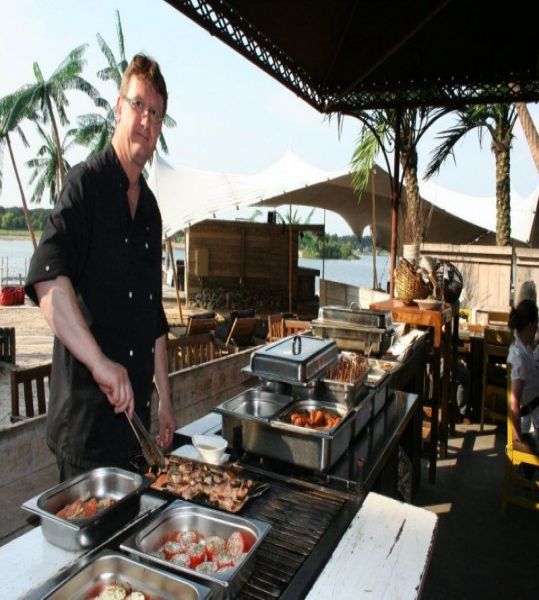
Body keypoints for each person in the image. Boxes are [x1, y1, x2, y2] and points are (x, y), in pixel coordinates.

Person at [25, 54, 176, 481]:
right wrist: (99, 363)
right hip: (86, 432)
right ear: (118, 108)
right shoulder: (84, 185)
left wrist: (165, 400)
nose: (146, 121)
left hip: (135, 432)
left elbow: (152, 314)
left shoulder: (150, 210)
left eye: (156, 114)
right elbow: (47, 280)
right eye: (138, 105)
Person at [507, 299, 539, 454]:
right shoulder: (520, 359)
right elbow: (514, 404)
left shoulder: (520, 347)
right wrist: (519, 440)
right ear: (531, 326)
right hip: (533, 428)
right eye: (537, 325)